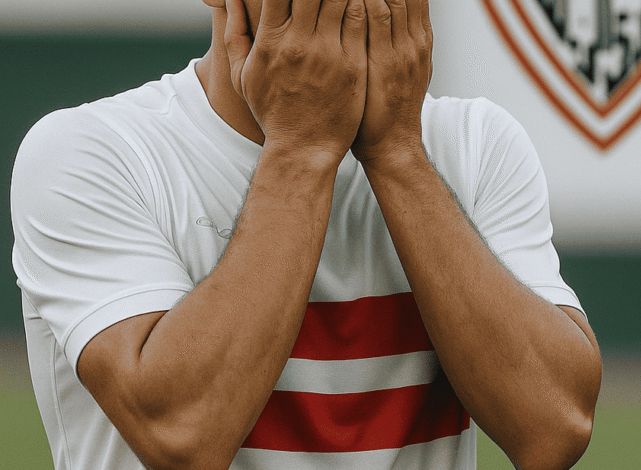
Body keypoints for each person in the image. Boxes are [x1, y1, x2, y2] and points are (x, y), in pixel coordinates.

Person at [10, 0, 602, 468]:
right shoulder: (89, 153)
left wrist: (398, 153)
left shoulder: (474, 145)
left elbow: (555, 428)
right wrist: (301, 149)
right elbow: (182, 435)